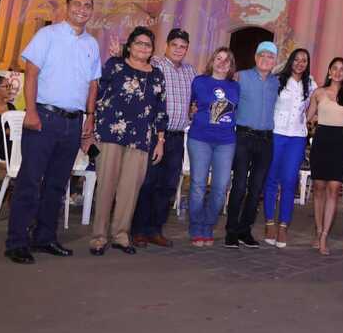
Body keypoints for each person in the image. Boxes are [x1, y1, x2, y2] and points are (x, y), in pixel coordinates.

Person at [5, 0, 101, 265]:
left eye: (87, 5)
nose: (82, 9)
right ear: (67, 7)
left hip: (74, 122)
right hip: (44, 117)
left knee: (58, 184)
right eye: (77, 4)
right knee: (30, 181)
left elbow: (93, 84)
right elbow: (31, 73)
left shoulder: (92, 44)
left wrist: (90, 117)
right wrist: (31, 111)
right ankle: (17, 242)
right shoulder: (47, 35)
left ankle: (45, 237)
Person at [89, 27, 167, 256]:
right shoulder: (115, 65)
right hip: (110, 134)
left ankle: (121, 235)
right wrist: (91, 126)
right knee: (106, 186)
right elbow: (98, 94)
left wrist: (160, 140)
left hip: (141, 139)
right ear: (130, 46)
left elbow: (160, 109)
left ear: (152, 50)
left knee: (129, 190)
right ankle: (99, 237)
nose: (143, 47)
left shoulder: (157, 74)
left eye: (147, 45)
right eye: (139, 43)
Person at [131, 28, 196, 248]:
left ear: (187, 49)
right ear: (166, 45)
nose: (178, 49)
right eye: (174, 45)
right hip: (154, 135)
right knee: (147, 182)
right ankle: (138, 230)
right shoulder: (155, 64)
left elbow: (195, 100)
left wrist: (194, 109)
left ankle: (155, 230)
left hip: (177, 137)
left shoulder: (190, 71)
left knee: (168, 185)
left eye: (183, 47)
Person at [224, 41, 279, 249]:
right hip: (243, 137)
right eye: (262, 55)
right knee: (239, 185)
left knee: (256, 189)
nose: (266, 59)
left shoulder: (276, 83)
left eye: (270, 56)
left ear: (275, 61)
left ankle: (244, 230)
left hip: (266, 140)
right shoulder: (241, 77)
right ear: (256, 57)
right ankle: (231, 231)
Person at [263, 48, 316, 248]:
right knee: (271, 179)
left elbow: (316, 104)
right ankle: (269, 223)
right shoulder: (277, 80)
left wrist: (307, 120)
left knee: (289, 181)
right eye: (296, 59)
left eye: (304, 60)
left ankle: (284, 226)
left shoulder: (311, 84)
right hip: (276, 134)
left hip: (297, 137)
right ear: (290, 61)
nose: (300, 63)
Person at [188, 47, 239, 247]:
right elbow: (190, 106)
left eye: (227, 60)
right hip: (200, 138)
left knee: (220, 187)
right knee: (198, 185)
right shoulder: (199, 81)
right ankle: (196, 227)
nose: (222, 63)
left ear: (231, 66)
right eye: (219, 58)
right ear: (212, 61)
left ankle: (208, 225)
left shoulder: (235, 87)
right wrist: (192, 112)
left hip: (226, 141)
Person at [307, 57, 343, 255]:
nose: (338, 72)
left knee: (334, 189)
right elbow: (306, 118)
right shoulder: (318, 93)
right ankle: (318, 231)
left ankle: (325, 235)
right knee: (318, 188)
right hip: (321, 141)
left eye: (342, 69)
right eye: (335, 68)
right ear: (329, 71)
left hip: (341, 143)